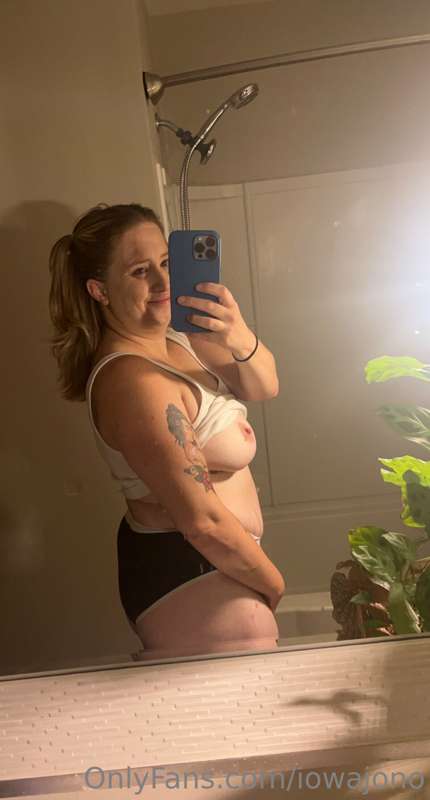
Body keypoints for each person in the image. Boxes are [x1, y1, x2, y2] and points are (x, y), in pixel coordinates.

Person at [48, 202, 285, 660]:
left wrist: (237, 334)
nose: (162, 282)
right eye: (140, 271)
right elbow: (202, 521)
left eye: (165, 262)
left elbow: (265, 385)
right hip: (188, 569)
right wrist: (275, 583)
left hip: (217, 563)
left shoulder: (180, 338)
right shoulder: (132, 382)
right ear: (99, 290)